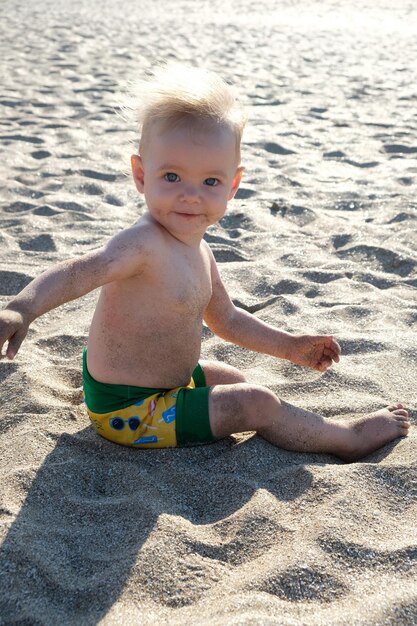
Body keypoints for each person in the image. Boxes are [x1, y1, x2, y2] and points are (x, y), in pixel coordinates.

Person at [0, 64, 410, 460]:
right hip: (128, 413)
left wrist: (290, 347)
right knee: (255, 402)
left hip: (167, 388)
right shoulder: (140, 245)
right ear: (142, 175)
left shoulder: (199, 249)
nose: (191, 195)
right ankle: (346, 438)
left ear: (232, 185)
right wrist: (23, 307)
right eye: (172, 177)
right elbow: (79, 272)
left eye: (210, 181)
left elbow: (227, 320)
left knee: (233, 380)